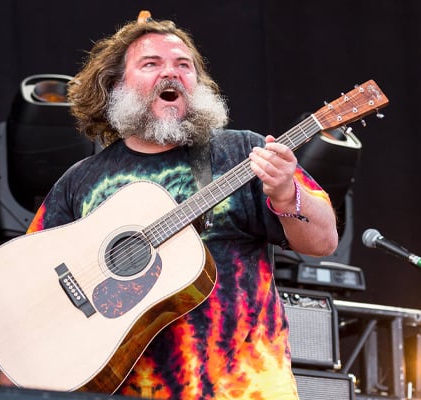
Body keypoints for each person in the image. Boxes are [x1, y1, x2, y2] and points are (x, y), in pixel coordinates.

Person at [19, 10, 338, 400]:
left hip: (242, 387)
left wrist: (288, 194)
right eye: (151, 64)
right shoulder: (82, 179)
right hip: (120, 389)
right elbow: (30, 275)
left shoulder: (243, 152)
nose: (170, 74)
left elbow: (323, 242)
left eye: (183, 65)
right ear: (116, 85)